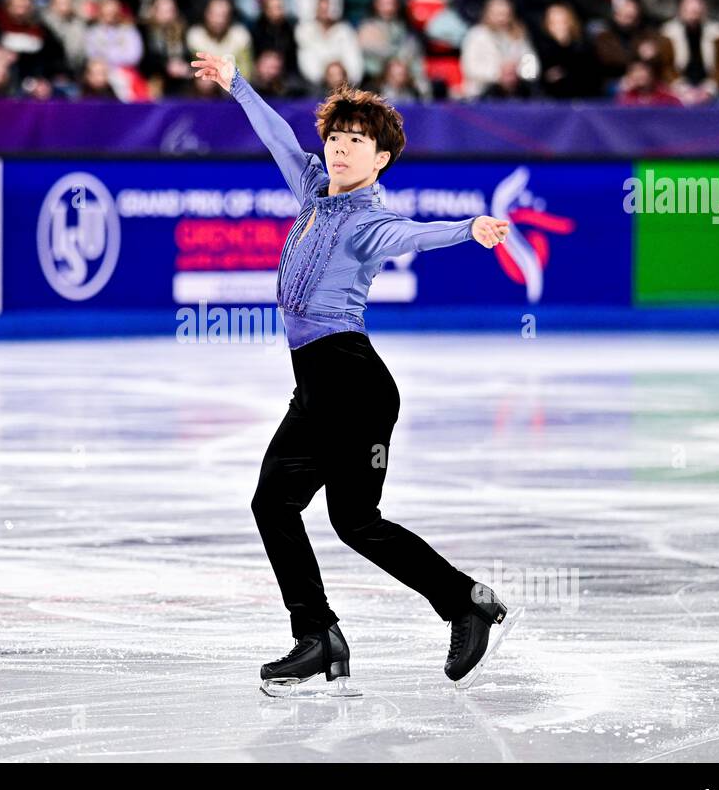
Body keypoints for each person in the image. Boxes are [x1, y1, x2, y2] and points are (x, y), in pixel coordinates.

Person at [190, 49, 517, 694]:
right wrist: (237, 85)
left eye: (356, 141)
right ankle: (321, 637)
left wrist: (469, 229)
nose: (340, 149)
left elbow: (413, 235)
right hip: (315, 385)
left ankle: (461, 606)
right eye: (336, 137)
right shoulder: (313, 190)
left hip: (353, 385)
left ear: (380, 159)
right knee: (277, 504)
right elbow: (280, 139)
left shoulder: (370, 221)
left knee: (352, 521)